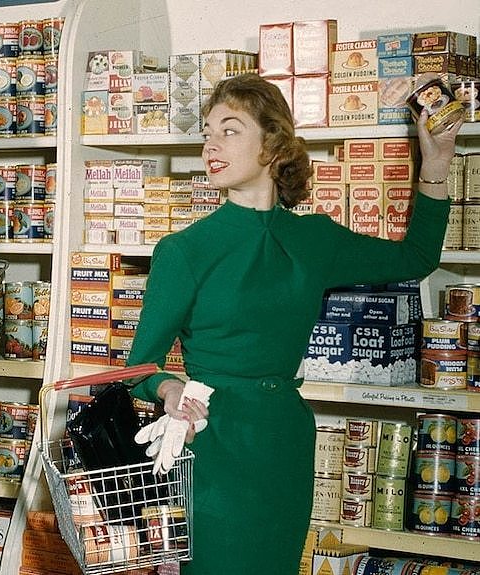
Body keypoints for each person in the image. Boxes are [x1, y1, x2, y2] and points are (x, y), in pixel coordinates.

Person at [126, 72, 462, 574]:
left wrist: (436, 159)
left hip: (285, 439)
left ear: (272, 145)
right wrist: (170, 390)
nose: (211, 145)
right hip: (216, 441)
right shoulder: (183, 251)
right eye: (207, 133)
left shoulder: (314, 239)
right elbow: (139, 367)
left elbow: (416, 257)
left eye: (230, 129)